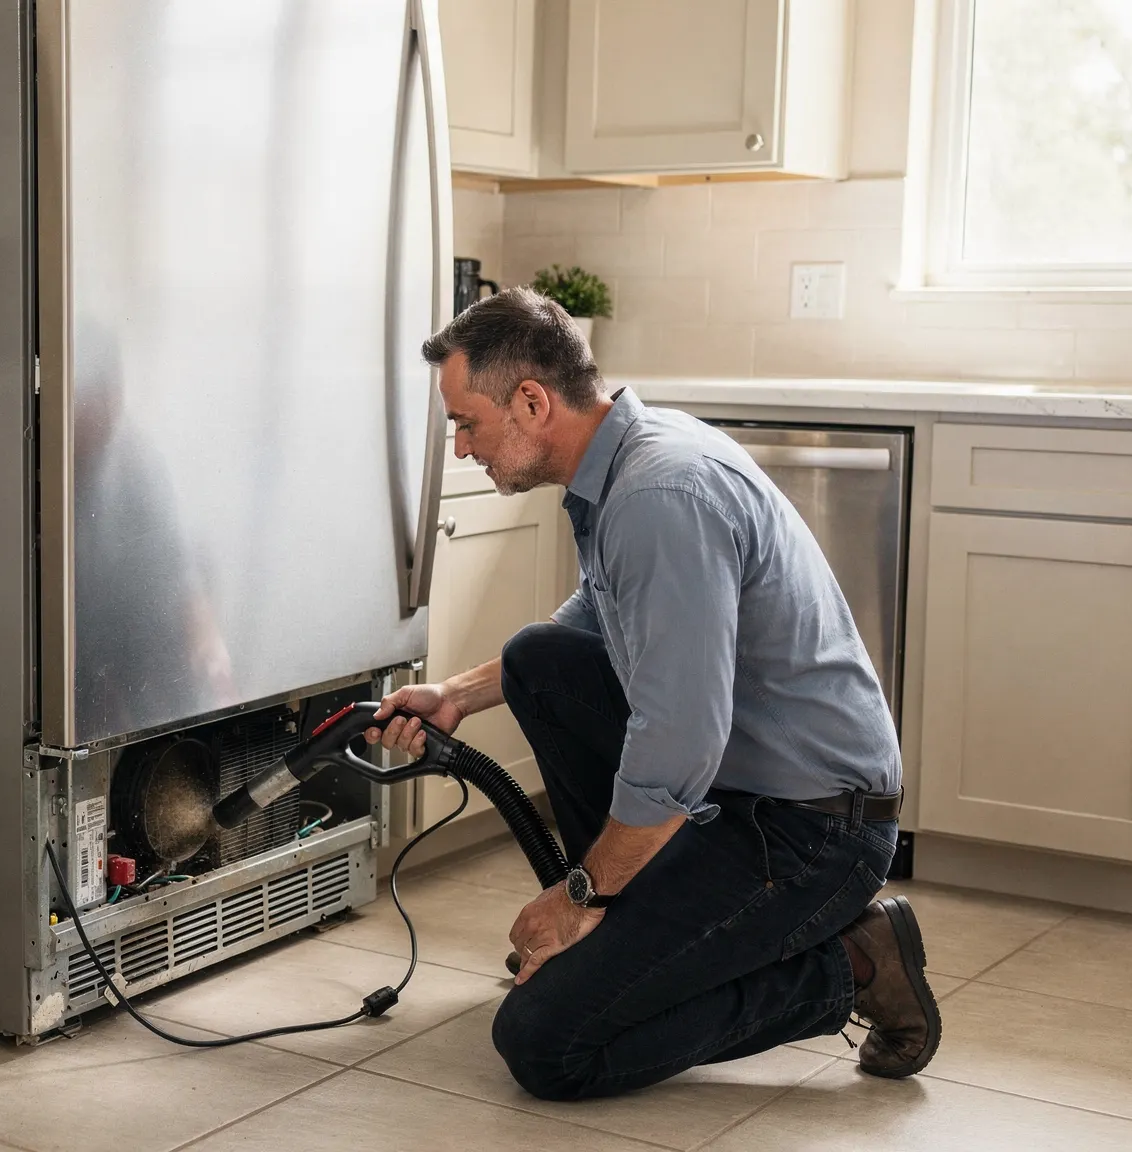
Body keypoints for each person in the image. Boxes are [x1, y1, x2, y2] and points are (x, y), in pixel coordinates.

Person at [365, 288, 939, 1100]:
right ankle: (623, 939)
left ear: (532, 401)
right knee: (540, 658)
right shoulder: (626, 456)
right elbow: (599, 618)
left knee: (544, 1044)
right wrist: (458, 693)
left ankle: (852, 963)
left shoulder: (659, 496)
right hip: (743, 791)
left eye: (466, 423)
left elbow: (678, 740)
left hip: (811, 830)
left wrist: (577, 895)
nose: (461, 448)